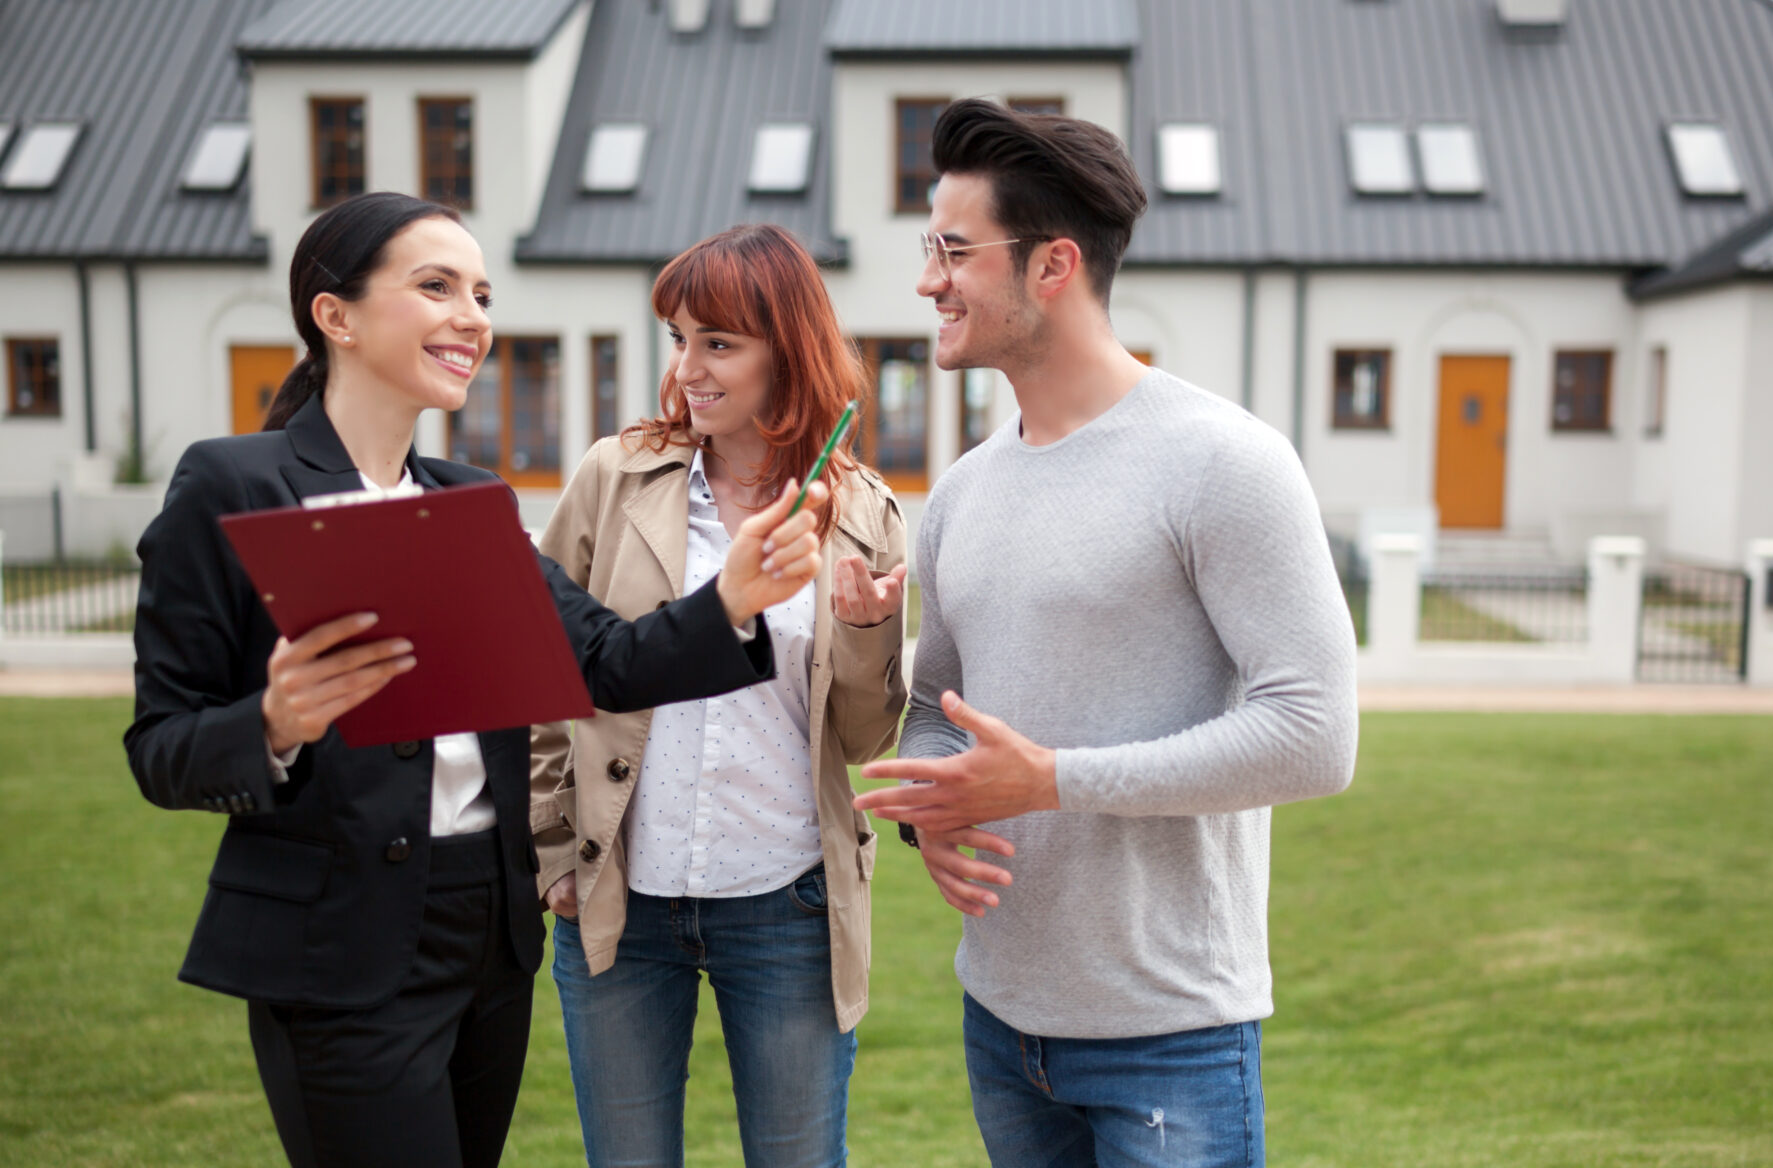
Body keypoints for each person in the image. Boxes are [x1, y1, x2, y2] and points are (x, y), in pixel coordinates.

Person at [123, 192, 827, 1168]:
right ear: (338, 316)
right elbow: (160, 747)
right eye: (437, 285)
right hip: (340, 948)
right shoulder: (232, 484)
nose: (473, 316)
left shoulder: (471, 502)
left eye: (482, 292)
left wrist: (731, 602)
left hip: (487, 944)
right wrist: (276, 721)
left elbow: (605, 663)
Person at [852, 99, 1360, 1168]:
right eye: (926, 249)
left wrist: (1051, 779)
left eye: (953, 249)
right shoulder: (959, 493)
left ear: (1052, 266)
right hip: (1000, 1016)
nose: (927, 279)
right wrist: (933, 816)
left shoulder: (1225, 462)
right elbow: (937, 708)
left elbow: (1315, 736)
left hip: (1170, 1033)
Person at [530, 223, 908, 1168]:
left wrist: (865, 631)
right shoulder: (613, 478)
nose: (690, 368)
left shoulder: (862, 513)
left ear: (790, 347)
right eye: (680, 340)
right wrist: (550, 851)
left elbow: (862, 740)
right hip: (620, 895)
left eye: (719, 342)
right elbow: (540, 668)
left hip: (785, 902)